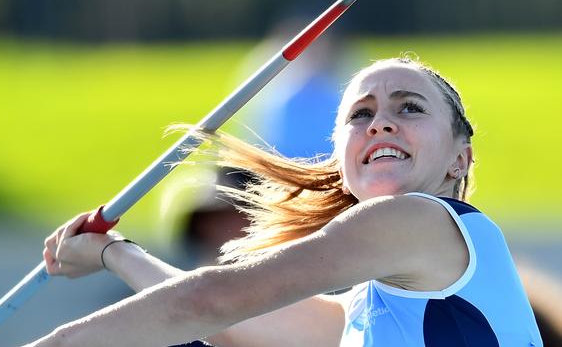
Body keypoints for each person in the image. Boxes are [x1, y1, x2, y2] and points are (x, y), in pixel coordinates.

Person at [28, 57, 543, 346]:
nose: (381, 122)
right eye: (359, 115)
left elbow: (213, 301)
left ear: (461, 158)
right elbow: (227, 324)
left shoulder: (423, 219)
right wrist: (115, 252)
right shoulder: (361, 313)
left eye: (409, 107)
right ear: (342, 157)